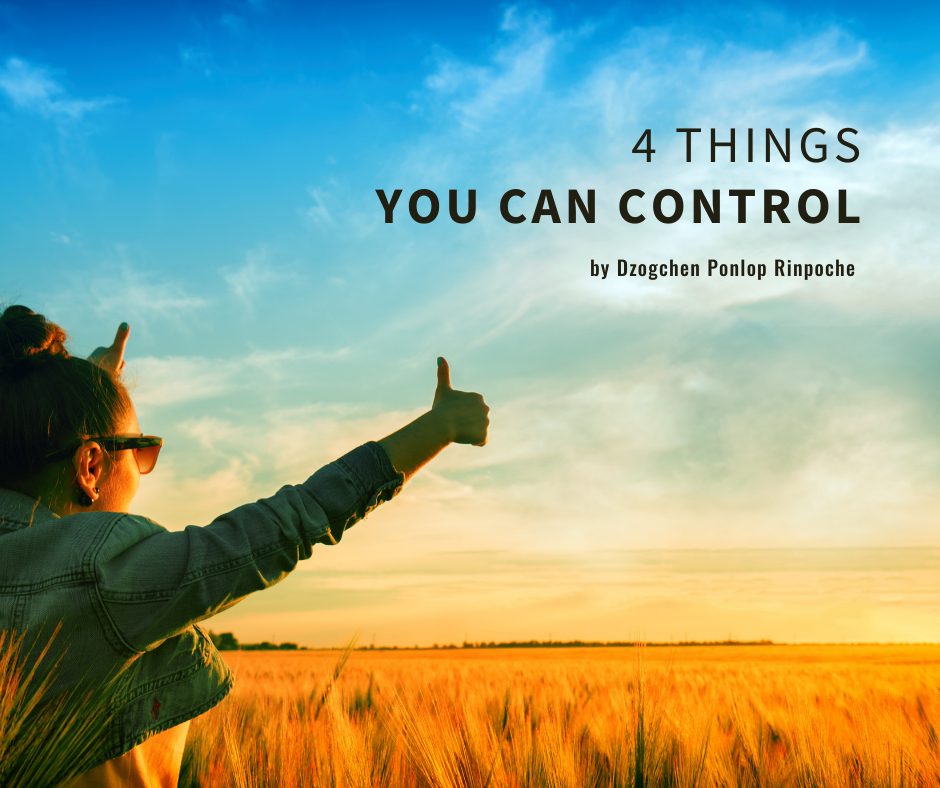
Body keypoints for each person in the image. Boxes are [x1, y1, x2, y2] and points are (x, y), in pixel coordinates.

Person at [0, 304, 489, 787]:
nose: (145, 469)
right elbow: (293, 519)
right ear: (90, 468)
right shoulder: (103, 579)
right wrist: (438, 426)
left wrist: (86, 382)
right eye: (141, 451)